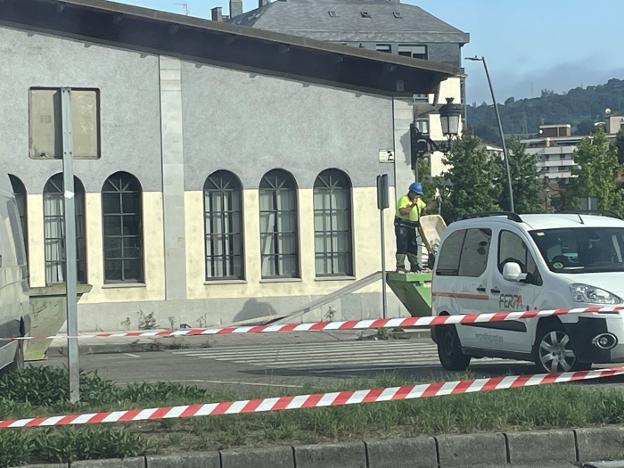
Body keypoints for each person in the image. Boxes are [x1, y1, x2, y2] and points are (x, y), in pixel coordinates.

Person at [395, 182, 426, 273]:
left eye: (419, 195)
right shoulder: (404, 199)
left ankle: (414, 265)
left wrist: (434, 203)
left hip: (411, 226)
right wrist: (412, 204)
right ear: (411, 192)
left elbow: (425, 208)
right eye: (417, 194)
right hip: (402, 225)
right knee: (402, 245)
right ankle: (400, 266)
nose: (418, 196)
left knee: (412, 245)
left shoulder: (418, 201)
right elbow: (403, 212)